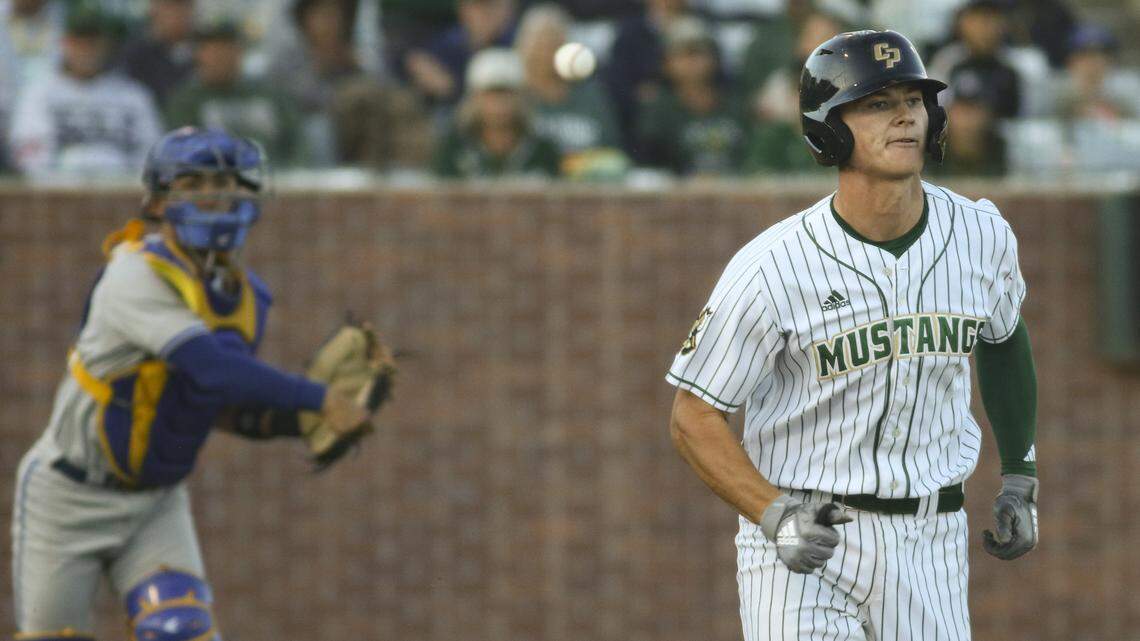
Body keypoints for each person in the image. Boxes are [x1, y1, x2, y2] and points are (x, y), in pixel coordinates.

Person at [667, 30, 1038, 640]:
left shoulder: (982, 234)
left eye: (913, 101)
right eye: (875, 104)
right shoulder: (774, 266)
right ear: (829, 129)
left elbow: (1005, 339)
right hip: (806, 532)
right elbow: (693, 415)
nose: (903, 118)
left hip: (931, 537)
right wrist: (771, 513)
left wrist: (1021, 471)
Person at [10, 127, 374, 640]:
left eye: (226, 184)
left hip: (156, 502)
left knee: (182, 634)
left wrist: (296, 423)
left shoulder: (248, 299)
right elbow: (212, 367)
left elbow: (213, 402)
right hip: (69, 494)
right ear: (158, 201)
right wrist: (319, 399)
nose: (214, 198)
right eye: (195, 183)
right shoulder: (133, 273)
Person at [8, 3, 162, 179]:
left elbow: (152, 156)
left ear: (107, 45)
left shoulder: (134, 96)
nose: (86, 49)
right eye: (79, 42)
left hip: (121, 194)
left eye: (93, 42)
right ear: (64, 43)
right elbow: (30, 158)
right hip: (57, 196)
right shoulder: (39, 93)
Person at [165, 19, 304, 167]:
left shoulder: (270, 94)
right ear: (198, 54)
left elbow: (299, 143)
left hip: (277, 180)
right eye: (212, 48)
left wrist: (293, 174)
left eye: (228, 47)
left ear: (241, 52)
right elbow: (181, 154)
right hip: (213, 183)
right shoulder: (186, 101)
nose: (221, 55)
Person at [514, 3, 624, 178]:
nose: (546, 53)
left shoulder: (591, 97)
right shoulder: (513, 97)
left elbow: (613, 154)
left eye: (553, 44)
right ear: (524, 48)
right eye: (540, 44)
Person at [636, 16, 745, 176]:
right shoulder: (658, 111)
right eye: (682, 54)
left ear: (715, 59)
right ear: (666, 64)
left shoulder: (737, 104)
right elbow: (651, 166)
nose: (691, 61)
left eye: (698, 52)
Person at [431, 47, 560, 179]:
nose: (499, 105)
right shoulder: (453, 149)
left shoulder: (542, 150)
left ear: (521, 98)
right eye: (491, 95)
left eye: (506, 94)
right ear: (475, 98)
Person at [403, 0, 518, 106]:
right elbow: (415, 61)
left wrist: (453, 89)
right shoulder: (448, 42)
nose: (483, 14)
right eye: (476, 6)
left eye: (490, 5)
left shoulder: (518, 41)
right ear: (462, 8)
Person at [928, 0, 1023, 118]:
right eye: (979, 20)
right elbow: (935, 110)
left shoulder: (1018, 64)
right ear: (963, 23)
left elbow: (1029, 120)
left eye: (991, 19)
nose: (986, 29)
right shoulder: (947, 61)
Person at [116, 0, 196, 108]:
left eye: (183, 7)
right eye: (170, 7)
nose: (177, 15)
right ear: (154, 10)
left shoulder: (202, 51)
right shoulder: (136, 54)